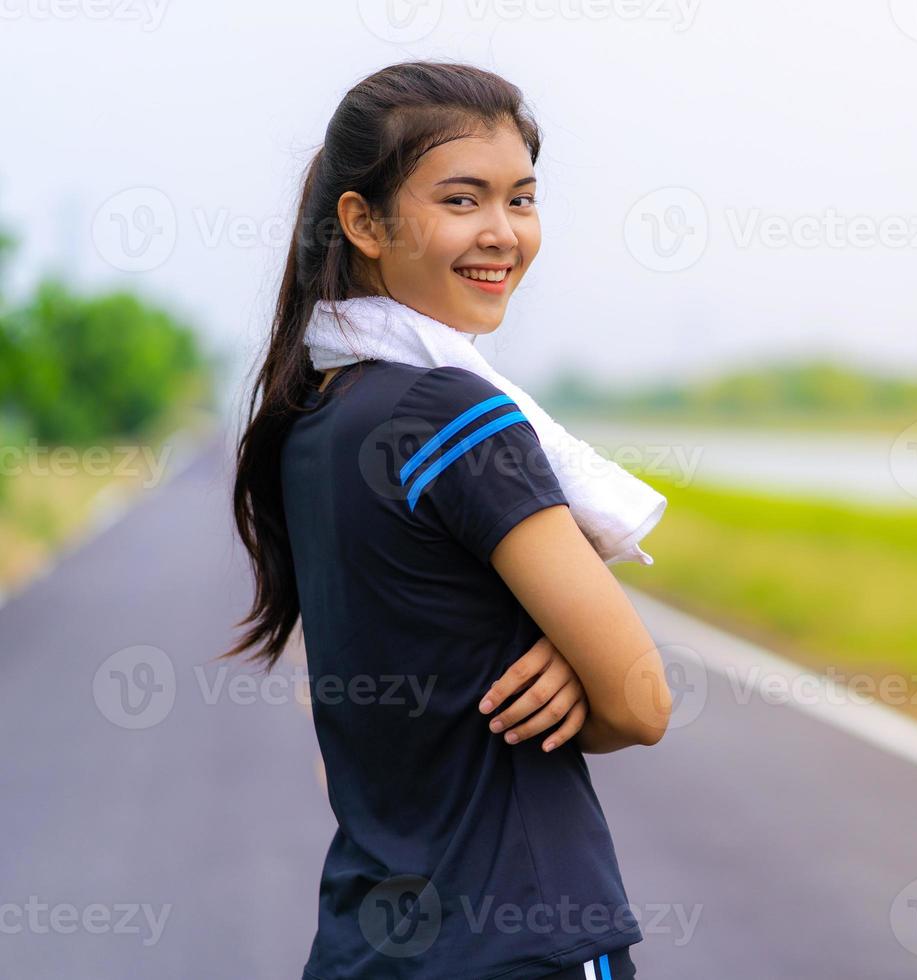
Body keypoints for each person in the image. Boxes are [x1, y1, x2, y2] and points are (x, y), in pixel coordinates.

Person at [225, 61, 672, 980]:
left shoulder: (312, 418)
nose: (502, 234)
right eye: (462, 200)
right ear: (363, 223)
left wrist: (561, 648)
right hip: (523, 935)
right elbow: (642, 700)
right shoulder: (453, 415)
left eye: (522, 199)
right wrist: (590, 680)